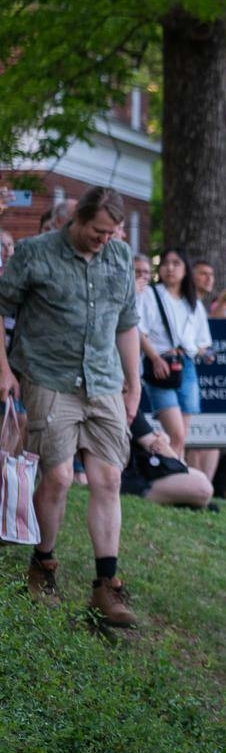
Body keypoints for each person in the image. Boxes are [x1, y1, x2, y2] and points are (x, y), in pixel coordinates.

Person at [0, 186, 144, 628]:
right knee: (58, 476)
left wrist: (133, 385)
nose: (105, 240)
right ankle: (43, 566)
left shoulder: (119, 258)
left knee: (108, 478)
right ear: (77, 219)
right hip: (47, 376)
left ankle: (107, 585)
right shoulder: (34, 253)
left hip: (103, 381)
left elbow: (127, 326)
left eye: (113, 233)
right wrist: (4, 369)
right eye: (99, 231)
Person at [136, 249, 213, 464]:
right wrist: (155, 358)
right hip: (160, 363)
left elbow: (200, 341)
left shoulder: (192, 302)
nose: (170, 268)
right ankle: (173, 474)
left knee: (182, 436)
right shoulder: (150, 294)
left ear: (185, 269)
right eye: (165, 263)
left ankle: (176, 475)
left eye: (176, 263)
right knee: (175, 433)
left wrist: (205, 353)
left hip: (186, 365)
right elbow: (138, 330)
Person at [121, 411, 215, 509]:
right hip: (128, 476)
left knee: (200, 477)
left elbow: (150, 438)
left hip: (133, 468)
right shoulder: (127, 407)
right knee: (203, 488)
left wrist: (160, 440)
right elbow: (151, 442)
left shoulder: (126, 406)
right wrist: (176, 464)